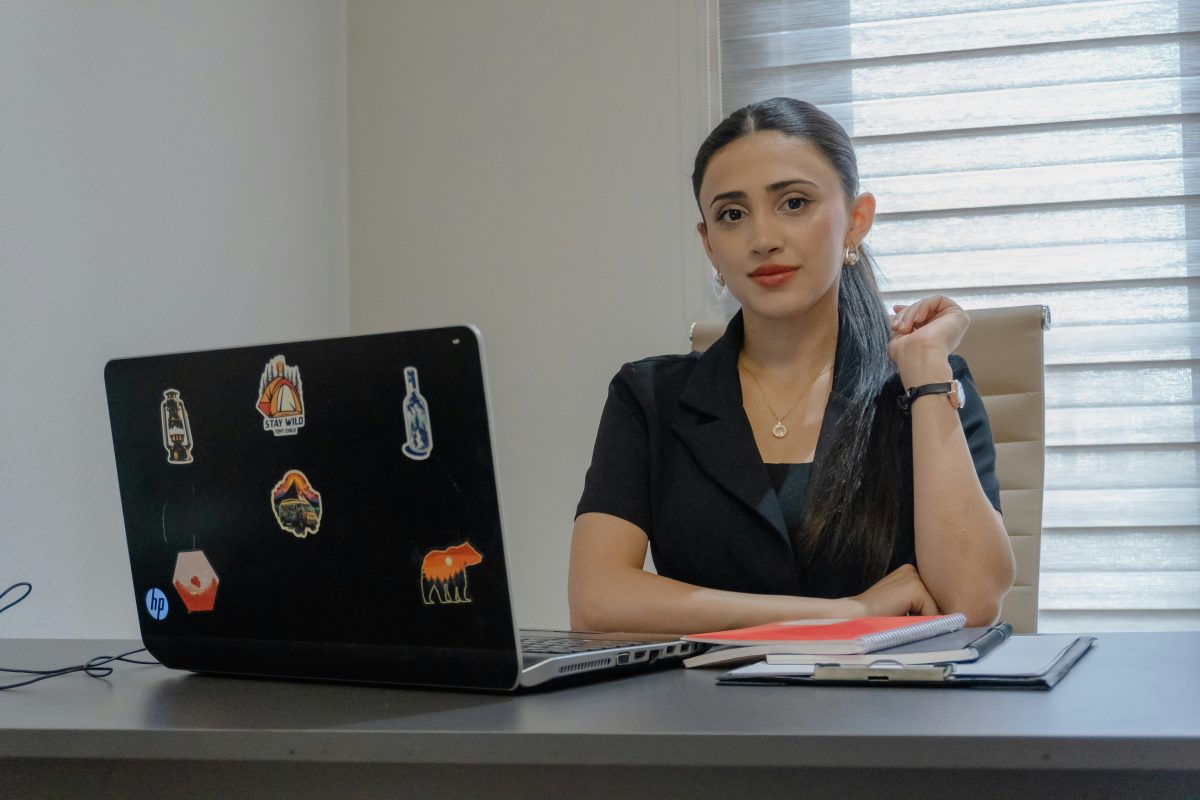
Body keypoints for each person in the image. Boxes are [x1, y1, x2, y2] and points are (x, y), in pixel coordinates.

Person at [569, 98, 1015, 634]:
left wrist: (924, 372)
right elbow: (596, 600)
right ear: (709, 245)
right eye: (732, 215)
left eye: (794, 203)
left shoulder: (927, 384)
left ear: (856, 220)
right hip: (705, 690)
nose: (763, 239)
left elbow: (973, 603)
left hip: (887, 689)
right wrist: (843, 615)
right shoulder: (648, 397)